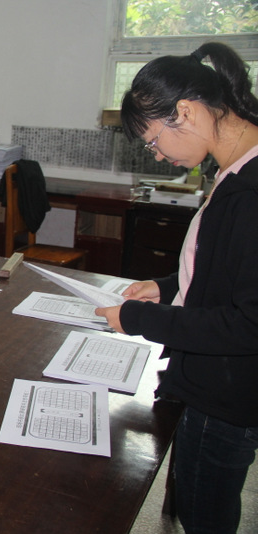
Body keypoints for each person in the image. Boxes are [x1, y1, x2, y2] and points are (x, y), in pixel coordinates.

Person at [95, 42, 258, 534]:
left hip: (227, 394)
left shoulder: (250, 193)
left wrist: (140, 319)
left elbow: (248, 323)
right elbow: (228, 272)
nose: (159, 155)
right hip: (220, 383)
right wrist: (167, 288)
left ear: (183, 112)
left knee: (204, 514)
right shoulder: (235, 170)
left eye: (153, 141)